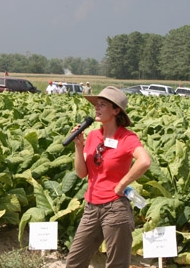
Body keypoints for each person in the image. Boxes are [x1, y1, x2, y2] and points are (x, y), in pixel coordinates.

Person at [65, 86, 151, 268]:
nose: (97, 108)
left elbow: (144, 161)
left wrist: (121, 185)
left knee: (116, 265)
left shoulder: (127, 138)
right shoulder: (93, 136)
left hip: (115, 208)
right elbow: (81, 173)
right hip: (91, 207)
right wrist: (78, 147)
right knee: (74, 262)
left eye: (102, 105)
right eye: (97, 104)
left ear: (116, 110)